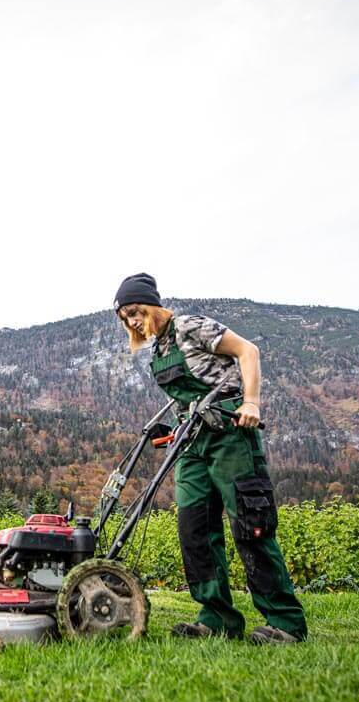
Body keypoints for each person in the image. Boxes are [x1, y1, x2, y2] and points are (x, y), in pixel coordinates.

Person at [113, 272, 308, 644]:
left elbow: (247, 351)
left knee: (251, 525)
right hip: (193, 441)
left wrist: (251, 402)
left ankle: (285, 622)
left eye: (135, 312)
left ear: (151, 305)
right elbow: (190, 392)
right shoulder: (160, 347)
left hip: (231, 434)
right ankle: (217, 617)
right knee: (194, 528)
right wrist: (171, 426)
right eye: (126, 319)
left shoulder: (190, 326)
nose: (133, 322)